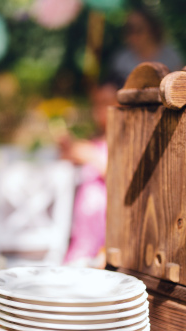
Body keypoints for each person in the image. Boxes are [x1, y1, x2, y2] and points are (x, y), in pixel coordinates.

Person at [60, 83, 117, 265]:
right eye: (97, 103)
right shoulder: (94, 140)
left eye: (107, 102)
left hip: (107, 236)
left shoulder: (125, 141)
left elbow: (125, 182)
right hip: (84, 235)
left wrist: (93, 158)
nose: (100, 109)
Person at [111, 8, 184, 87]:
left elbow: (180, 88)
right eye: (129, 29)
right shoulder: (121, 60)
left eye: (139, 29)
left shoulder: (171, 58)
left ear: (152, 29)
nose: (133, 34)